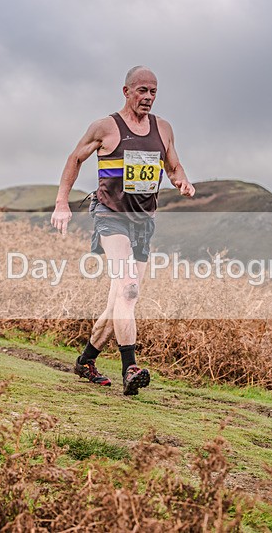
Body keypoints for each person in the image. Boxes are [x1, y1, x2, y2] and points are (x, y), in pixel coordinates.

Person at [51, 66, 196, 395]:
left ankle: (86, 361)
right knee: (129, 290)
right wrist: (61, 202)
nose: (148, 97)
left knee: (119, 298)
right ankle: (130, 367)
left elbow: (173, 166)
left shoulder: (163, 129)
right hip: (111, 216)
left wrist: (182, 181)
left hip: (143, 222)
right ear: (126, 91)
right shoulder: (105, 127)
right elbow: (75, 158)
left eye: (153, 91)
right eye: (142, 90)